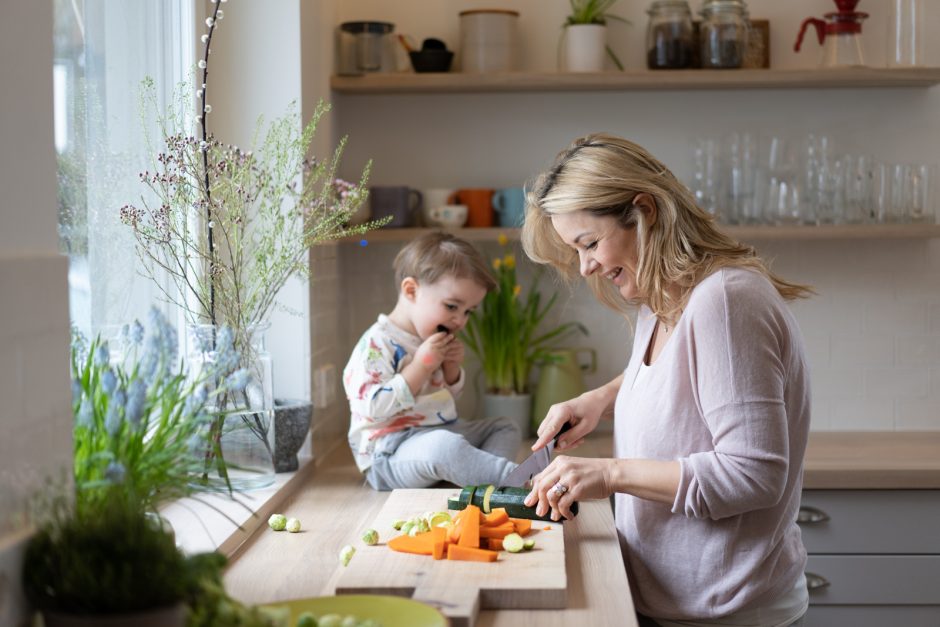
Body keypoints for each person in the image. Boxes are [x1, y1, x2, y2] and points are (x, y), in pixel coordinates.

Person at [520, 133, 813, 627]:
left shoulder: (725, 301)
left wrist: (608, 474)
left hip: (728, 610)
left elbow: (754, 475)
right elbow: (688, 372)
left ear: (644, 211)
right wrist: (602, 398)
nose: (587, 265)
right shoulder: (664, 298)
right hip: (670, 600)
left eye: (589, 243)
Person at [343, 231, 521, 491]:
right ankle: (517, 479)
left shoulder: (431, 336)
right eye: (451, 306)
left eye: (468, 311)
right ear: (411, 290)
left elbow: (442, 401)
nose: (460, 320)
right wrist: (420, 367)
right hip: (390, 453)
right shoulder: (376, 344)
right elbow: (373, 407)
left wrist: (451, 373)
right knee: (445, 448)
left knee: (505, 427)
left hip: (438, 435)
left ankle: (481, 480)